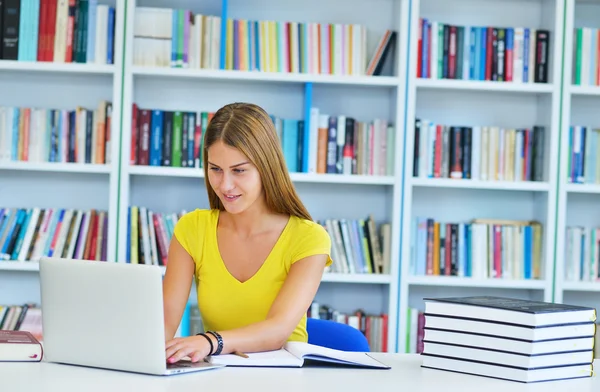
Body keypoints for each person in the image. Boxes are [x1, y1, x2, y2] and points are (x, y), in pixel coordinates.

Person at [162, 102, 333, 364]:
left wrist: (208, 341)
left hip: (284, 380)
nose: (225, 185)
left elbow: (276, 332)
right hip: (217, 379)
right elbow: (164, 321)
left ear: (266, 167)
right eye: (215, 169)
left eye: (239, 170)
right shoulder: (192, 229)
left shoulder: (308, 238)